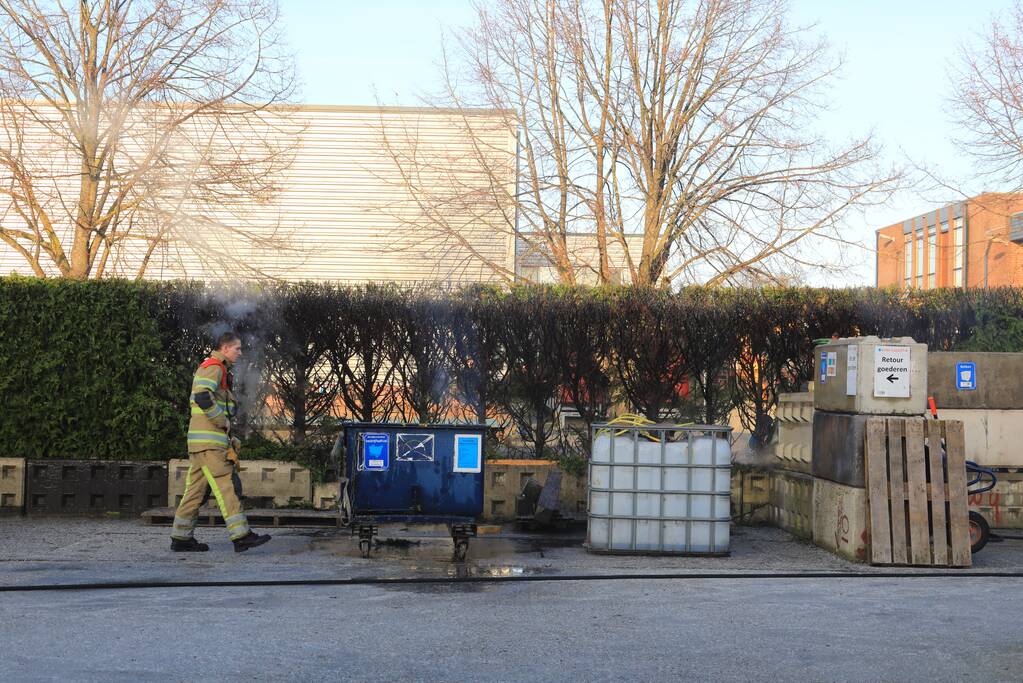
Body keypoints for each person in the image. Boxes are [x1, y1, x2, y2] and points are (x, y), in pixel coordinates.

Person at [170, 331, 271, 553]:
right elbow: (202, 396)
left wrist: (227, 434)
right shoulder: (215, 367)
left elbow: (208, 400)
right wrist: (222, 421)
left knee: (195, 491)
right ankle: (241, 535)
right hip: (210, 445)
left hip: (202, 444)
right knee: (227, 487)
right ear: (225, 348)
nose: (240, 352)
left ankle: (181, 537)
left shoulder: (216, 368)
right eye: (237, 348)